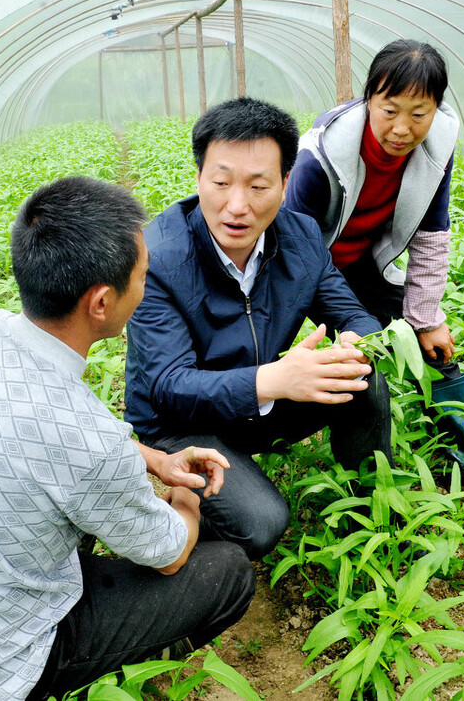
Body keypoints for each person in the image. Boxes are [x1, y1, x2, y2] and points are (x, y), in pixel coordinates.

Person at [0, 177, 254, 701]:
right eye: (143, 276)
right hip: (0, 662)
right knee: (228, 571)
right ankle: (128, 668)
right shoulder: (90, 445)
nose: (147, 287)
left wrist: (155, 459)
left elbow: (60, 440)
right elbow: (169, 554)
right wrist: (185, 495)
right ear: (101, 302)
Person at [125, 97, 390, 560]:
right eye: (221, 182)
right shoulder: (158, 258)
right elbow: (167, 387)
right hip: (184, 423)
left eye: (258, 186)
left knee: (362, 379)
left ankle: (369, 516)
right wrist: (274, 380)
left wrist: (355, 342)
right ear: (199, 178)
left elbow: (354, 315)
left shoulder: (301, 237)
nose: (237, 206)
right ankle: (182, 502)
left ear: (286, 184)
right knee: (263, 524)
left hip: (262, 401)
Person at [283, 39, 464, 478]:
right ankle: (366, 478)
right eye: (390, 110)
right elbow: (290, 246)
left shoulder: (438, 143)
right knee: (347, 363)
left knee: (436, 348)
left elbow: (432, 235)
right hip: (307, 266)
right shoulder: (320, 155)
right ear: (368, 101)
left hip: (365, 260)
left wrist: (425, 317)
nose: (402, 128)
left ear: (436, 109)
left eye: (419, 114)